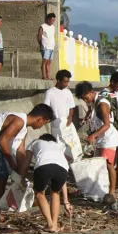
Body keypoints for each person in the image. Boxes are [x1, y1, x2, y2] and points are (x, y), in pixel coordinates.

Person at [0, 104, 55, 221]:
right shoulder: (19, 121)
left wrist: (21, 174)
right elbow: (3, 141)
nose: (41, 127)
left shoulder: (23, 129)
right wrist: (11, 161)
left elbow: (21, 151)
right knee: (0, 175)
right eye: (44, 123)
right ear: (40, 119)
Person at [76, 81, 118, 202]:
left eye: (86, 97)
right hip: (101, 138)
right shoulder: (95, 102)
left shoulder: (102, 104)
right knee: (100, 165)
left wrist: (93, 136)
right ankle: (101, 190)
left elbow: (107, 125)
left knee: (109, 165)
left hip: (108, 139)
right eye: (83, 99)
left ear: (91, 92)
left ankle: (112, 192)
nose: (86, 100)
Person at [20, 134, 68, 232]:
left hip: (43, 166)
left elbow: (26, 163)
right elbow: (63, 179)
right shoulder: (58, 146)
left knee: (39, 193)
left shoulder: (35, 142)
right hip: (63, 169)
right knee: (55, 193)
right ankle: (54, 224)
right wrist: (66, 200)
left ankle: (50, 224)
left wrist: (22, 178)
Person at [43, 69, 75, 215]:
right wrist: (54, 120)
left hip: (67, 127)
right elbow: (46, 109)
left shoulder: (68, 93)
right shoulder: (50, 92)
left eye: (68, 81)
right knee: (59, 155)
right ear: (59, 80)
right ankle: (60, 183)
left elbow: (72, 108)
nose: (67, 84)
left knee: (71, 153)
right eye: (65, 81)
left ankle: (66, 179)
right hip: (56, 126)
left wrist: (69, 120)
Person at [37, 13, 56, 80]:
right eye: (51, 20)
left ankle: (48, 76)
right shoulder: (43, 26)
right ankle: (43, 76)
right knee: (44, 61)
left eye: (54, 20)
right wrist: (41, 45)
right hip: (45, 47)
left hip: (51, 47)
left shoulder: (53, 27)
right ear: (48, 19)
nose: (52, 21)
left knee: (49, 62)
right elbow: (39, 37)